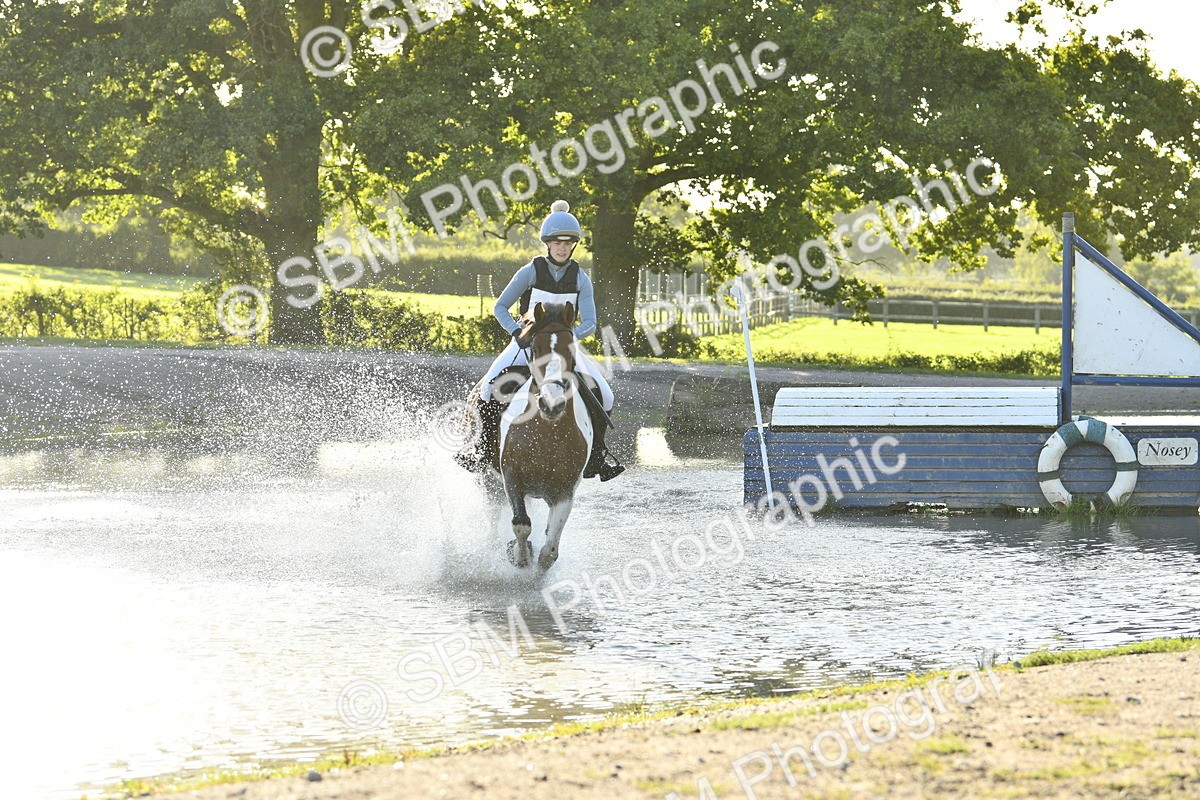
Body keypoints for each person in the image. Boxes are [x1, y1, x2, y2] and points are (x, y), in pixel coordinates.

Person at [455, 200, 624, 481]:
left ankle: (597, 456)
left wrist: (568, 337)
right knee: (487, 389)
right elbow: (499, 307)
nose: (562, 247)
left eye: (568, 243)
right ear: (548, 243)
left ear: (573, 245)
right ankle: (481, 449)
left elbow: (591, 324)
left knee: (606, 394)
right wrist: (517, 333)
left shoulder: (581, 278)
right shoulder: (530, 272)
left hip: (565, 348)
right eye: (557, 242)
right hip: (526, 345)